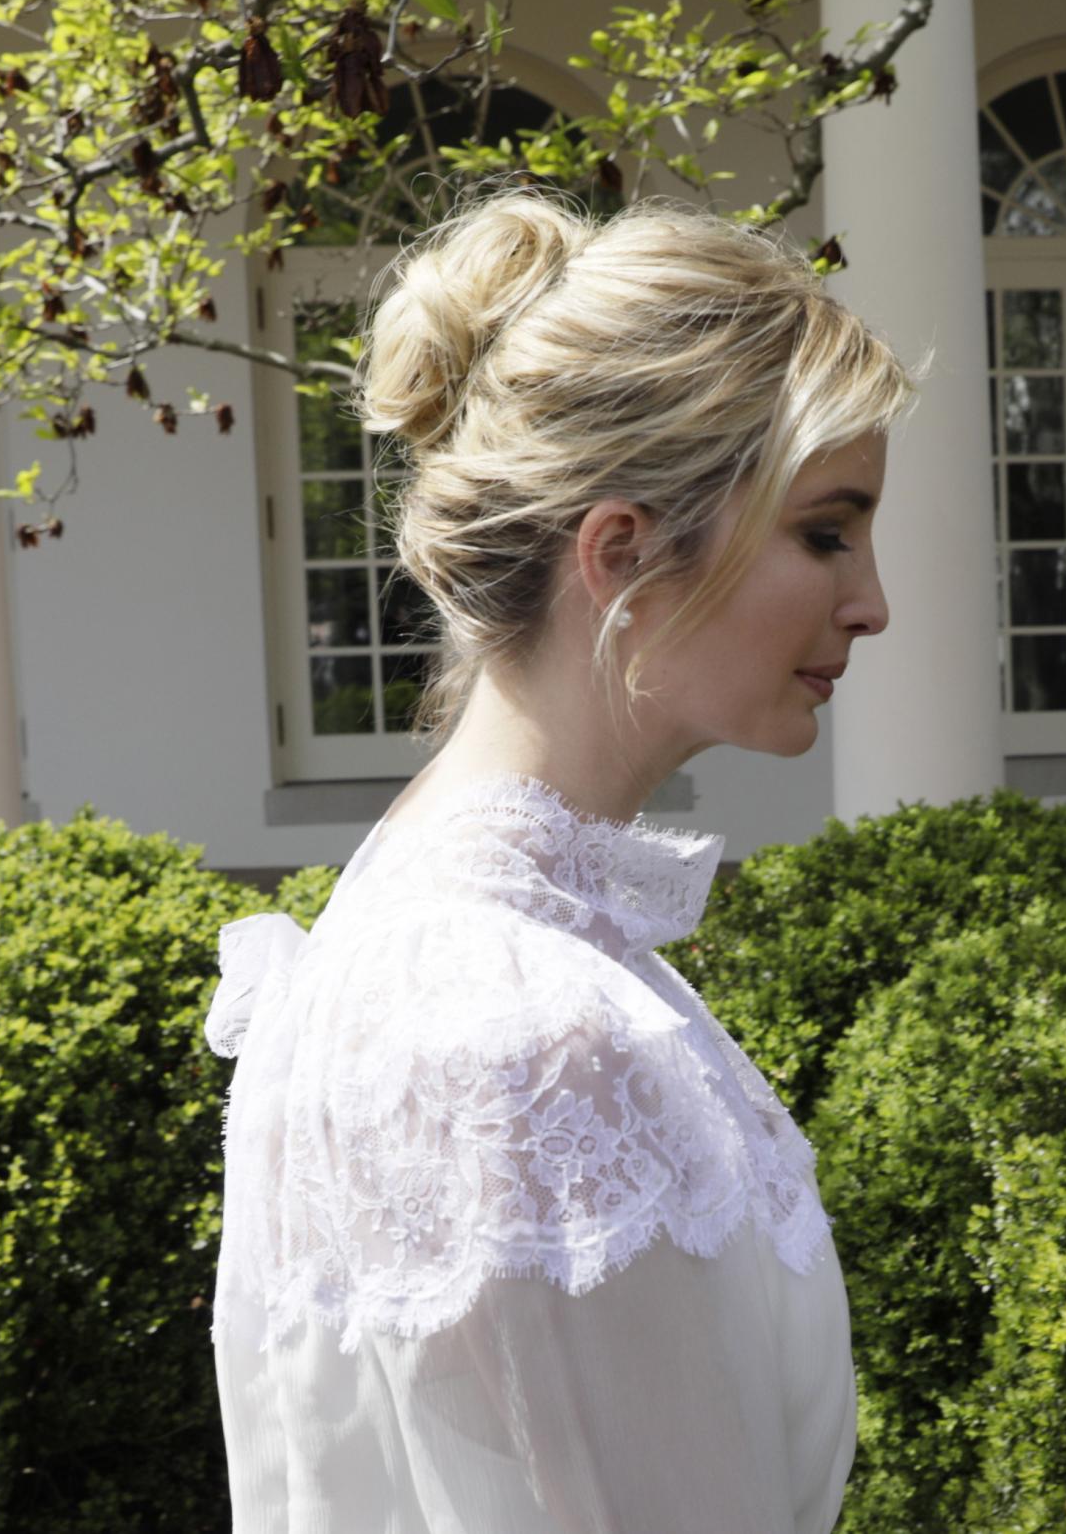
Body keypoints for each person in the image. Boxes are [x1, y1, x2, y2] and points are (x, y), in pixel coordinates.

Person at [203, 185, 913, 1533]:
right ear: (624, 552)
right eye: (826, 528)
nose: (871, 601)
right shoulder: (523, 1027)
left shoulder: (442, 940)